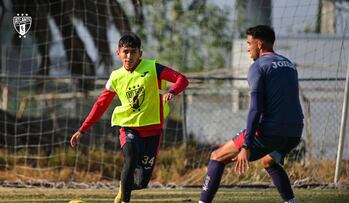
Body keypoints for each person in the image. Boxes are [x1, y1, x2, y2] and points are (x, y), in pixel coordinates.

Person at [70, 33, 189, 203]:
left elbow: (182, 79)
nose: (129, 56)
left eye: (133, 52)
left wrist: (172, 91)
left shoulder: (153, 68)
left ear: (140, 53)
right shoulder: (115, 77)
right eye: (125, 52)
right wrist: (82, 129)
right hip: (128, 127)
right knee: (130, 158)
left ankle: (123, 187)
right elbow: (100, 105)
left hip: (153, 130)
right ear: (118, 53)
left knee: (141, 182)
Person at [198, 25, 304, 203]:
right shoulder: (289, 65)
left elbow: (255, 109)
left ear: (260, 44)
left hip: (270, 132)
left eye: (249, 43)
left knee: (217, 156)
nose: (248, 48)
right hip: (294, 132)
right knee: (268, 161)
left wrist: (246, 146)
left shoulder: (258, 66)